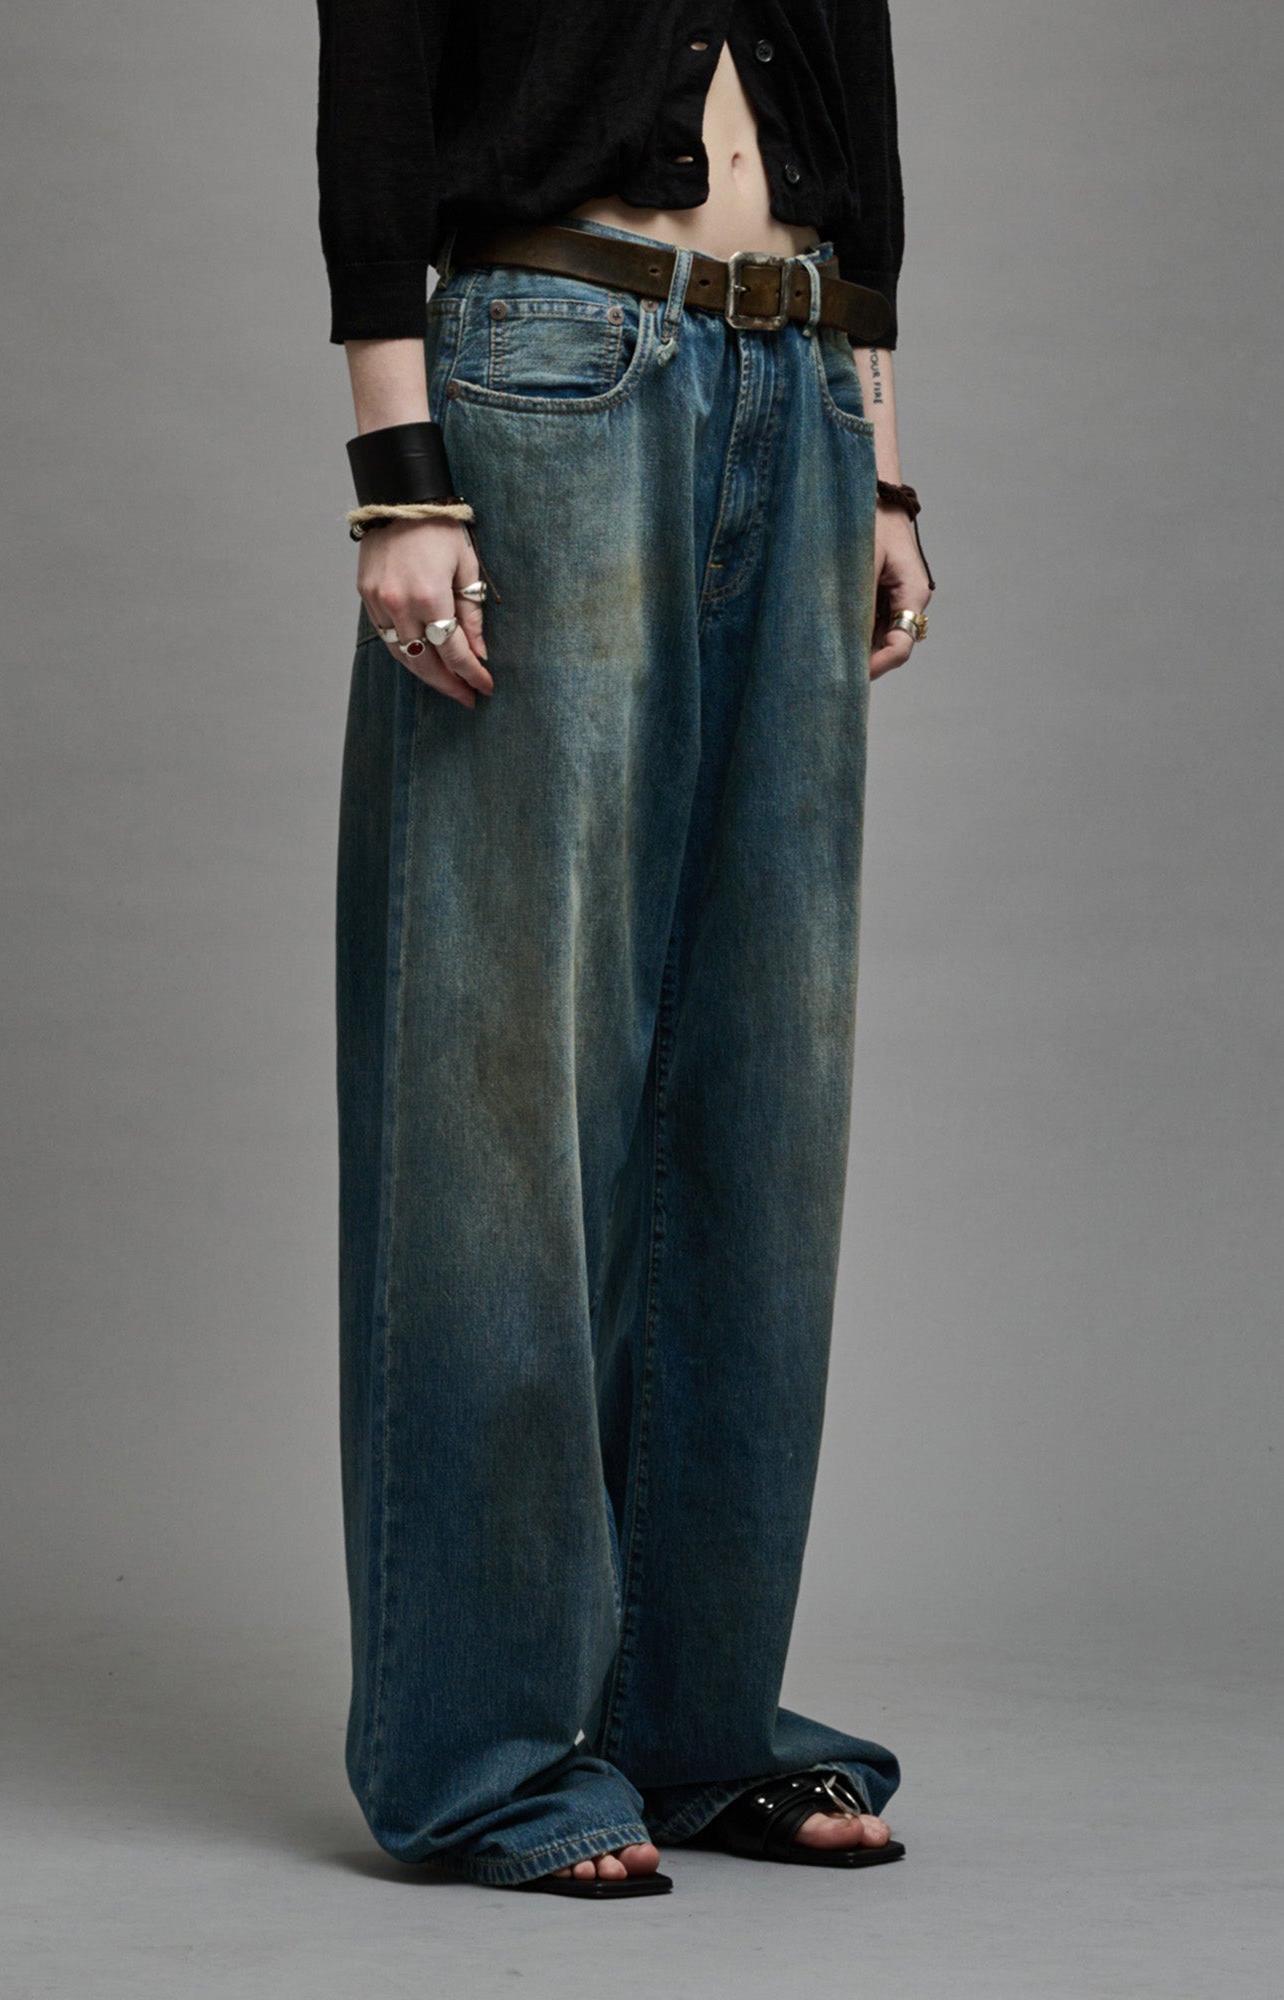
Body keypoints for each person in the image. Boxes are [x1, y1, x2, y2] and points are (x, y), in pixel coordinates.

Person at [315, 0, 932, 1901]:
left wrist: (884, 463)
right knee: (502, 1066)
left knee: (763, 1074)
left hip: (801, 380)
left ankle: (695, 1718)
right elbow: (375, 99)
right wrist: (398, 466)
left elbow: (858, 121)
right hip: (553, 370)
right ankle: (487, 1746)